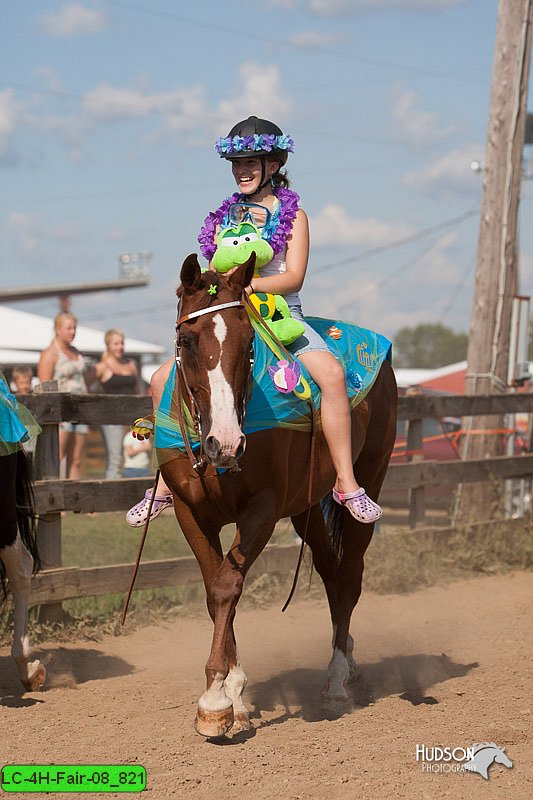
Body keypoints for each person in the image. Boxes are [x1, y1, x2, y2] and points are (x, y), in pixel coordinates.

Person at [127, 115, 382, 526]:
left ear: (274, 165)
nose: (242, 171)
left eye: (251, 162)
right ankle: (163, 486)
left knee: (332, 376)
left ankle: (346, 483)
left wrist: (248, 288)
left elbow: (294, 277)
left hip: (283, 315)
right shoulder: (223, 217)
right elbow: (213, 275)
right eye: (236, 163)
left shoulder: (294, 216)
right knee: (159, 381)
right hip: (231, 318)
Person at [37, 312, 91, 479]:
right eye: (68, 328)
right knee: (57, 457)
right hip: (60, 412)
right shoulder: (50, 354)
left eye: (74, 328)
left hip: (80, 409)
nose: (72, 331)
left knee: (76, 460)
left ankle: (74, 501)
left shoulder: (77, 352)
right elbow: (44, 385)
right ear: (58, 329)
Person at [95, 329, 140, 479]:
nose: (119, 347)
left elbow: (138, 390)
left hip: (132, 417)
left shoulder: (131, 365)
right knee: (115, 459)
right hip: (111, 418)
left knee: (136, 457)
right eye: (116, 343)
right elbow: (87, 386)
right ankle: (112, 498)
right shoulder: (102, 366)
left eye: (122, 343)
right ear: (108, 345)